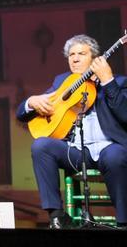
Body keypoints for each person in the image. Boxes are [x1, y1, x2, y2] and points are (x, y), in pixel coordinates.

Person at [16, 34, 127, 228]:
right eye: (71, 54)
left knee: (116, 156)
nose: (74, 58)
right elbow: (22, 114)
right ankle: (57, 216)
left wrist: (107, 81)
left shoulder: (119, 82)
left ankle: (124, 221)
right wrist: (31, 102)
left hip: (109, 148)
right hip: (75, 151)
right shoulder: (62, 82)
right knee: (41, 145)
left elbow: (125, 114)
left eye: (81, 54)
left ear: (94, 58)